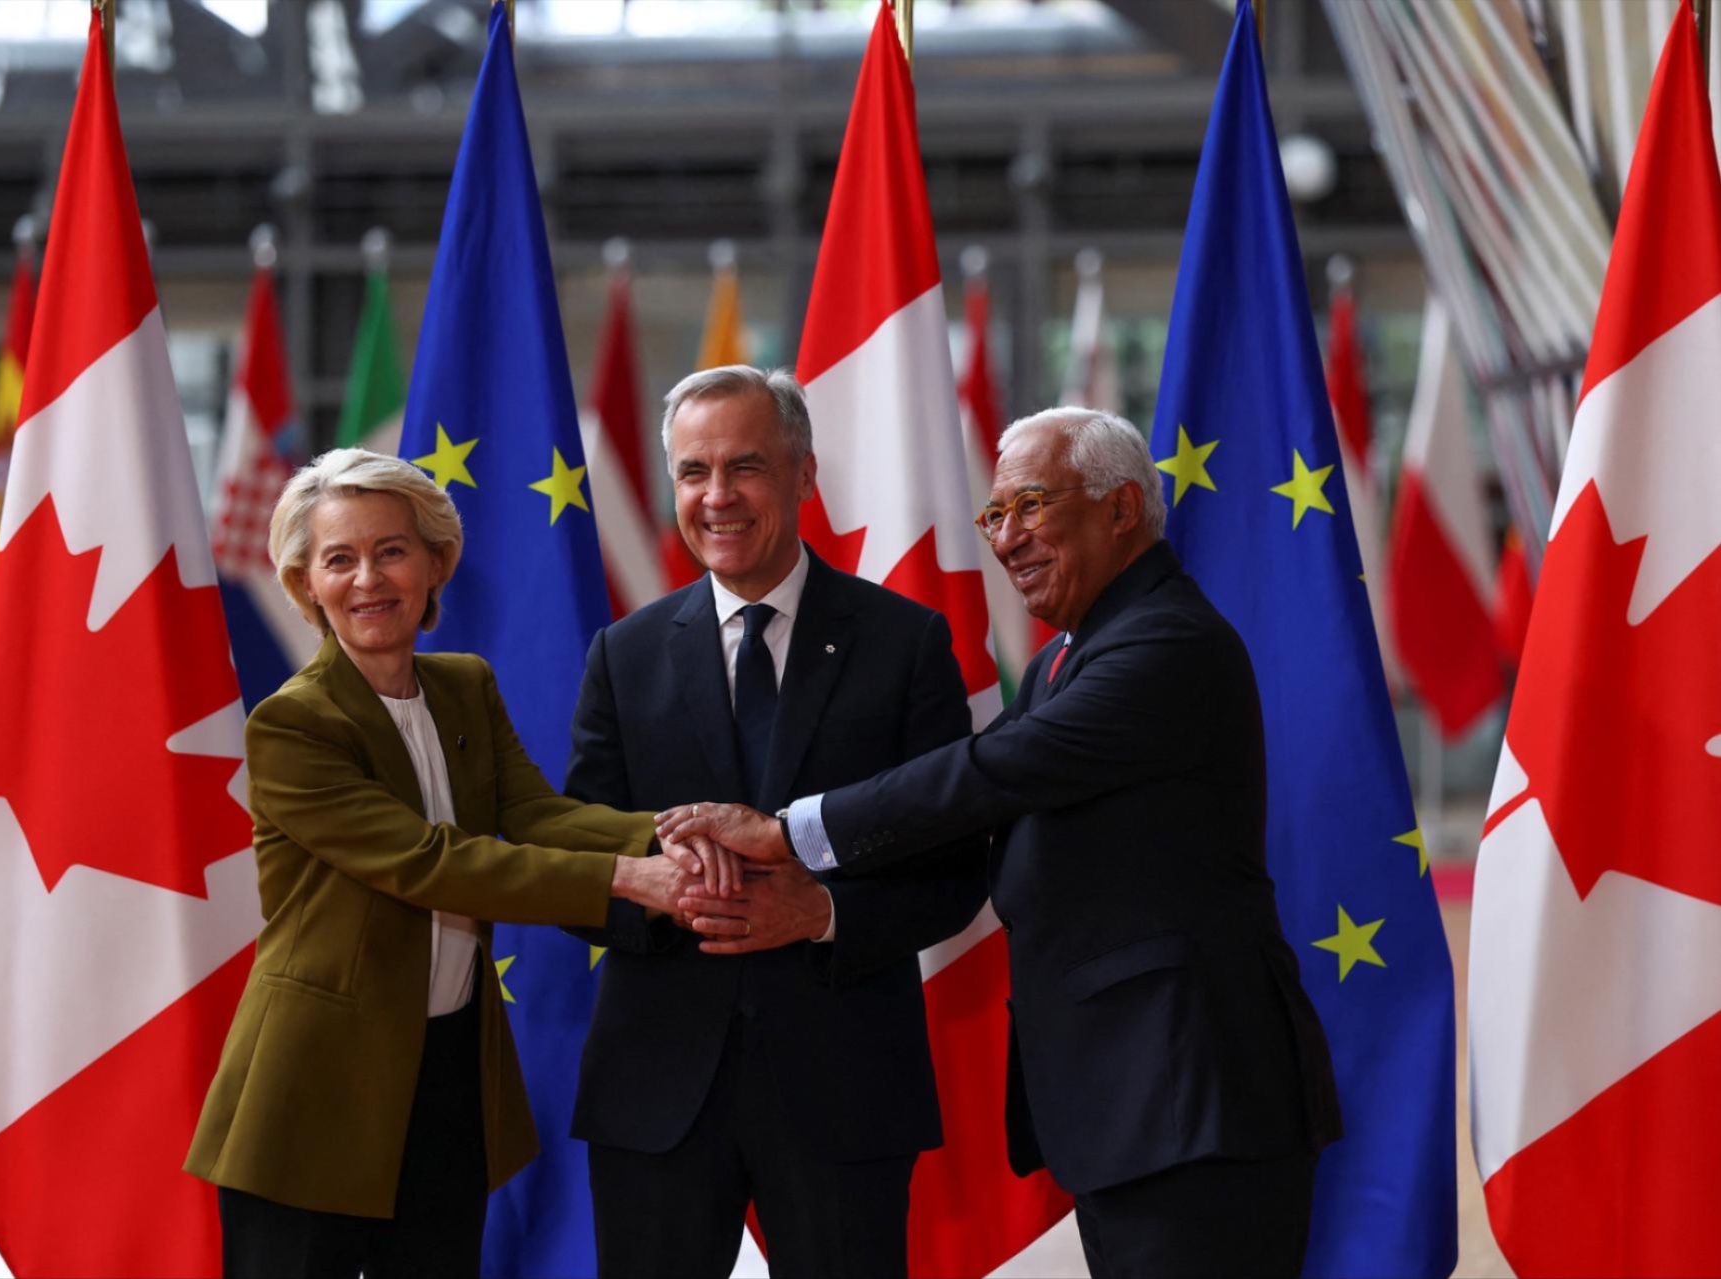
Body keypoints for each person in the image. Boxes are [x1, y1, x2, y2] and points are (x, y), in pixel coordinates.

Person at [660, 408, 1343, 1279]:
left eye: (1029, 505)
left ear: (1121, 507)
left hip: (1193, 1100)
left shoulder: (1165, 644)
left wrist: (787, 830)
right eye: (993, 516)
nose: (1006, 538)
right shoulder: (1078, 652)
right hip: (1141, 1107)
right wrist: (829, 906)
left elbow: (987, 772)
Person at [184, 448, 704, 1279]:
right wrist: (623, 878)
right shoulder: (291, 725)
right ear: (305, 583)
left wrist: (670, 837)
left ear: (435, 562)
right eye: (339, 558)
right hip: (314, 1090)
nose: (368, 579)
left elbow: (537, 815)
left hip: (449, 1080)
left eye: (391, 550)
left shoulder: (465, 685)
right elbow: (428, 862)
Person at [565, 366, 988, 1278]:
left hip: (844, 1084)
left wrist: (823, 913)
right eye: (692, 471)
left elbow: (958, 865)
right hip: (657, 1087)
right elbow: (575, 858)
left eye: (745, 466)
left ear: (804, 474)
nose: (716, 496)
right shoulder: (623, 653)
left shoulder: (905, 642)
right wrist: (667, 892)